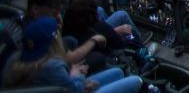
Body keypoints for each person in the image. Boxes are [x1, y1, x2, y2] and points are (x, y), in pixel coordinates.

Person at [3, 16, 142, 93]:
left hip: (73, 85)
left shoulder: (15, 59)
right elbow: (73, 89)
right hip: (76, 87)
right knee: (136, 80)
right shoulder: (53, 66)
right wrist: (78, 76)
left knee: (117, 72)